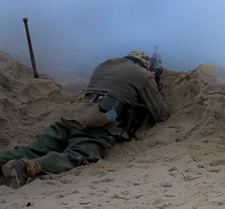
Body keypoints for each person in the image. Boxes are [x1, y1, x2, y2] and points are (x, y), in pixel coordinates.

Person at [0, 51, 170, 188]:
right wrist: (155, 82)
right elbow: (161, 114)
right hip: (97, 122)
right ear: (143, 64)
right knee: (77, 156)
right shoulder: (141, 74)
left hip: (72, 115)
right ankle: (25, 167)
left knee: (33, 149)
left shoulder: (102, 66)